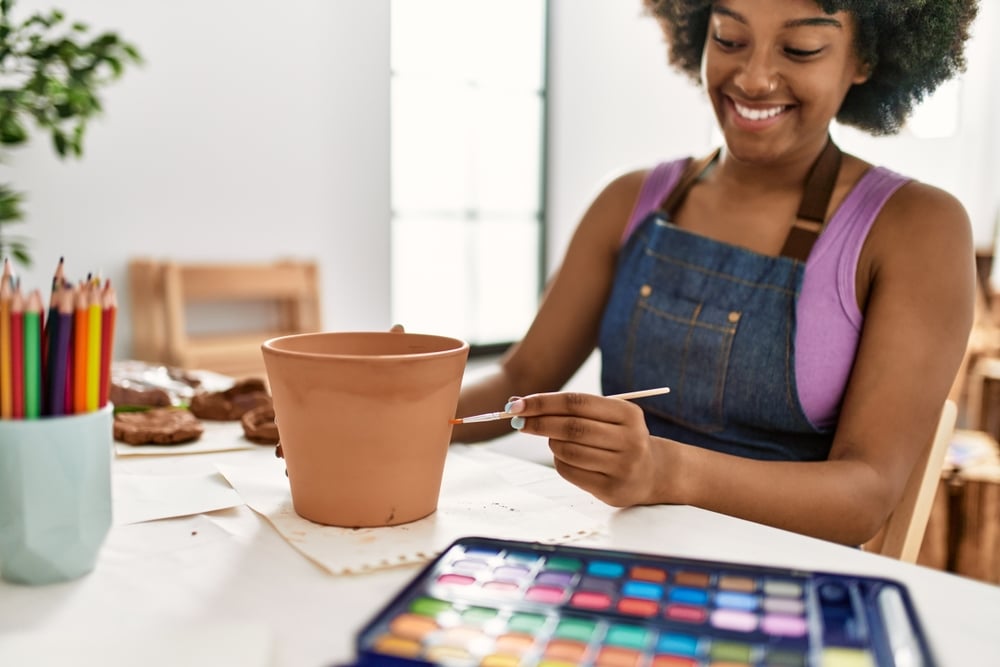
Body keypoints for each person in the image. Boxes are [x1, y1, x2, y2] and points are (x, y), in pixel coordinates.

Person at [450, 0, 980, 548]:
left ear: (863, 58)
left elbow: (864, 496)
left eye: (800, 49)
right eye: (729, 39)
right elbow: (519, 380)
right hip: (616, 557)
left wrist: (666, 471)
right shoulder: (629, 202)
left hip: (782, 588)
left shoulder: (917, 229)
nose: (752, 78)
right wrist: (398, 404)